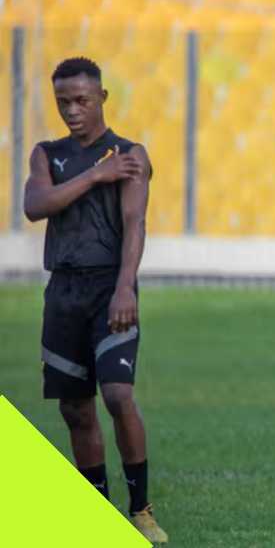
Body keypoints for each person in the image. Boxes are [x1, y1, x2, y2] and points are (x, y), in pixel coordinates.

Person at [23, 57, 168, 544]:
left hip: (110, 286)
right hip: (63, 292)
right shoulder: (47, 154)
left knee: (118, 394)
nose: (72, 111)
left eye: (82, 100)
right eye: (63, 101)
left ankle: (141, 510)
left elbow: (136, 224)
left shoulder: (129, 154)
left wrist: (126, 285)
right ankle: (95, 514)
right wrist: (92, 178)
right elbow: (35, 206)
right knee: (75, 409)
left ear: (103, 98)